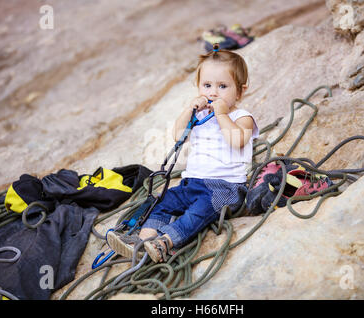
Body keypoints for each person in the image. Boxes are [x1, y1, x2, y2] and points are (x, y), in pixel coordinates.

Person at [107, 43, 259, 263]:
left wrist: (222, 115)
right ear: (198, 87)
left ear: (240, 91)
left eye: (223, 86)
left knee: (197, 213)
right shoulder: (199, 116)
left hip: (226, 186)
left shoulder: (241, 116)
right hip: (192, 183)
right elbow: (178, 136)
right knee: (163, 202)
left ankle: (165, 243)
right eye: (207, 85)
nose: (213, 92)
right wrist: (189, 110)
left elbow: (237, 141)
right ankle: (141, 241)